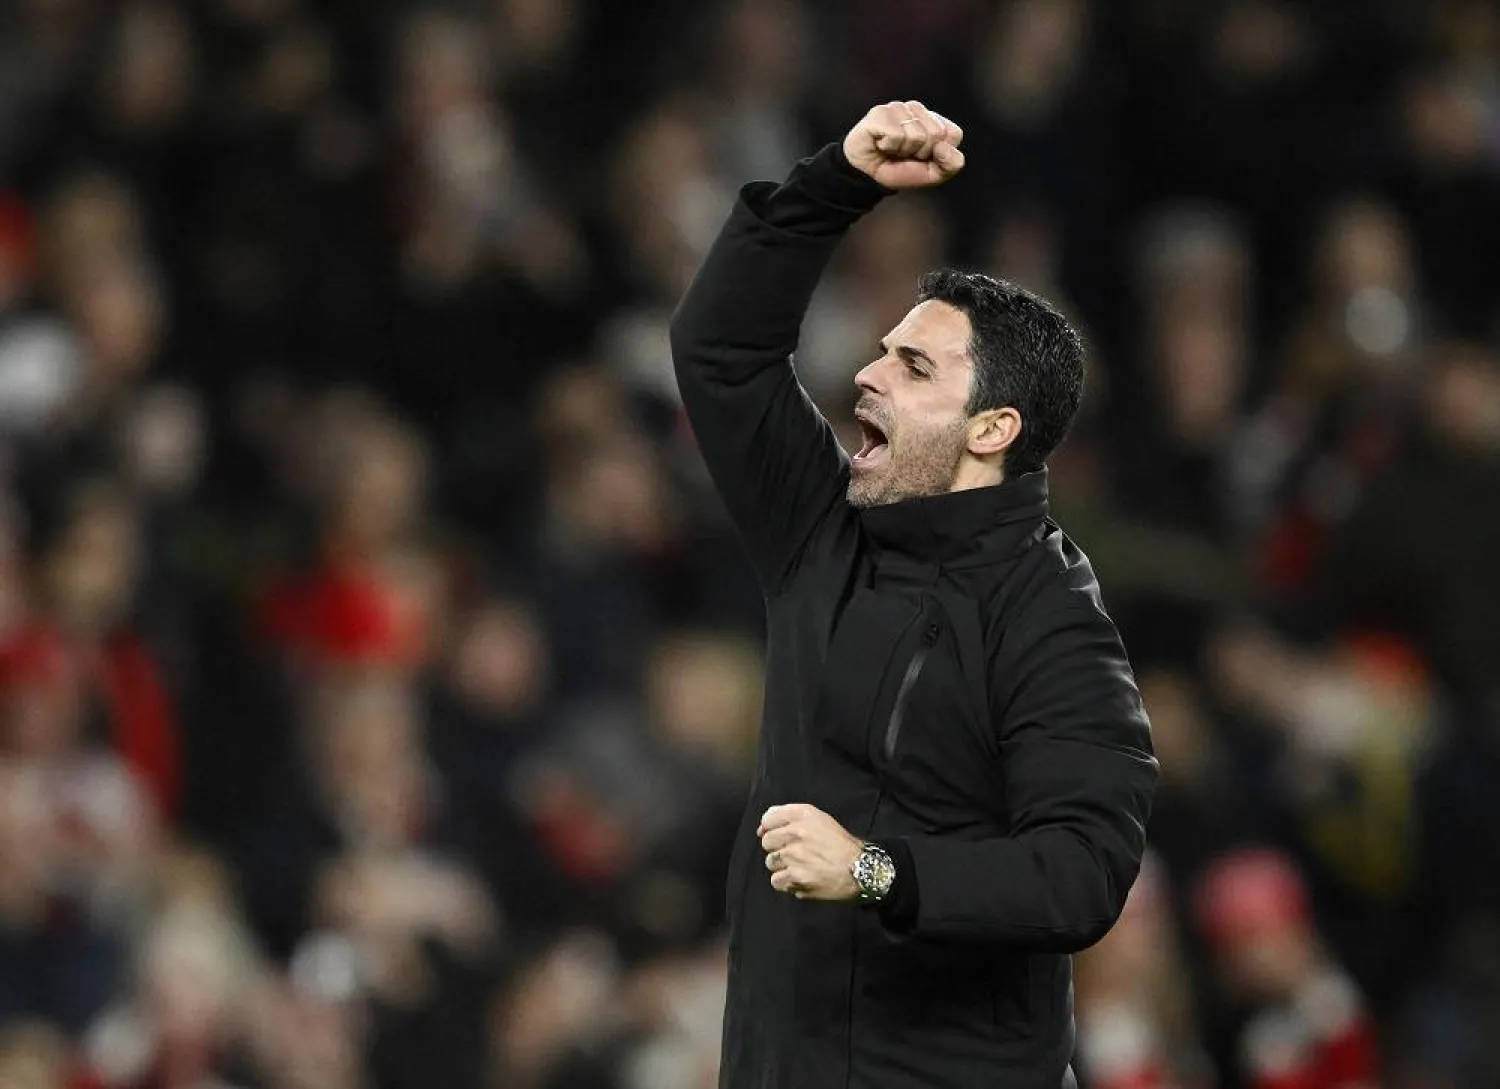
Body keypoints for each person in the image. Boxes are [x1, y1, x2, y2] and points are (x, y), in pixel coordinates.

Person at [669, 100, 1159, 1089]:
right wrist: (831, 184)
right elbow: (721, 353)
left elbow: (1081, 871)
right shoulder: (820, 530)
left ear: (990, 429)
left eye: (914, 366)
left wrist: (873, 871)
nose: (865, 375)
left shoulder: (1053, 619)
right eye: (885, 349)